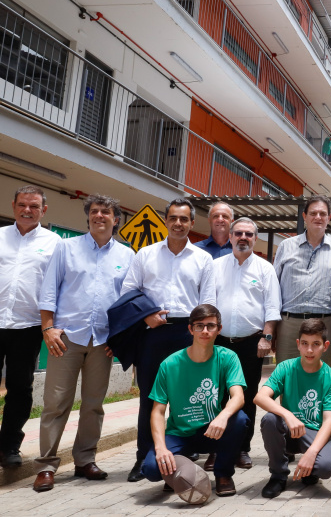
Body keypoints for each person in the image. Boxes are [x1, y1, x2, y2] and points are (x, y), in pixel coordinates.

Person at [32, 194, 134, 492]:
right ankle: (47, 465)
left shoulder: (126, 256)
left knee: (94, 405)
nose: (98, 216)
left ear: (116, 220)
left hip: (103, 342)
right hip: (67, 338)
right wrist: (48, 328)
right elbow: (49, 289)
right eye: (94, 211)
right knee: (55, 403)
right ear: (88, 217)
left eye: (105, 212)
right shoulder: (66, 248)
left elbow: (128, 302)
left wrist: (120, 337)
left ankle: (85, 460)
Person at [120, 197, 216, 482]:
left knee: (192, 398)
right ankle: (143, 458)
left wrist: (202, 335)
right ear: (166, 220)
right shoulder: (145, 255)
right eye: (173, 218)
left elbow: (208, 300)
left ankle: (188, 453)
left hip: (189, 334)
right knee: (151, 399)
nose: (178, 223)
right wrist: (146, 315)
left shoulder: (203, 259)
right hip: (153, 334)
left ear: (191, 223)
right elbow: (128, 293)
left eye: (184, 219)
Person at [0, 185, 60, 476]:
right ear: (13, 206)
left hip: (28, 325)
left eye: (34, 206)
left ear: (43, 210)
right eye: (22, 205)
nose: (27, 210)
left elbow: (58, 286)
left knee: (20, 389)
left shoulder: (54, 242)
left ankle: (9, 448)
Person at [141, 304, 248, 497]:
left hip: (211, 430)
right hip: (179, 433)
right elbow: (157, 411)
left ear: (219, 329)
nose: (205, 331)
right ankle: (178, 472)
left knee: (239, 420)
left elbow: (238, 396)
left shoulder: (227, 357)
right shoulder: (169, 364)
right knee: (151, 469)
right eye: (199, 326)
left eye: (211, 326)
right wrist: (161, 448)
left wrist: (222, 416)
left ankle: (223, 474)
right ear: (190, 329)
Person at [208, 217, 280, 472]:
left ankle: (241, 449)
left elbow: (272, 307)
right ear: (229, 236)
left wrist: (267, 337)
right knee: (216, 396)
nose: (243, 238)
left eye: (249, 234)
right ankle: (215, 450)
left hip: (251, 343)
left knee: (247, 396)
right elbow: (207, 303)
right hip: (218, 342)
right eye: (238, 233)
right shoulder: (214, 266)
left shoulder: (265, 269)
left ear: (255, 238)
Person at [255, 319, 331, 498]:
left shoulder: (330, 377)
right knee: (269, 419)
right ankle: (278, 475)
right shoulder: (285, 367)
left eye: (316, 344)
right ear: (298, 345)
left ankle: (310, 470)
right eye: (305, 344)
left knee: (326, 467)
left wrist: (312, 453)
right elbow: (260, 397)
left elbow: (329, 421)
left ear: (325, 346)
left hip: (313, 431)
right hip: (289, 428)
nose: (309, 350)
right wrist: (287, 414)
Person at [273, 195, 331, 367]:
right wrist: (271, 326)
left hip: (325, 323)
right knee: (286, 377)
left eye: (323, 214)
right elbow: (273, 288)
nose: (318, 217)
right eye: (313, 213)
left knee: (321, 379)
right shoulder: (286, 246)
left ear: (329, 218)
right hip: (289, 324)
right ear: (304, 216)